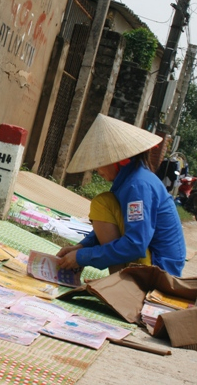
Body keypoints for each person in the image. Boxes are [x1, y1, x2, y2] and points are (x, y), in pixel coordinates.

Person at [56, 114, 187, 277]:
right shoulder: (131, 181)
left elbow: (135, 244)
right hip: (155, 264)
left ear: (121, 160)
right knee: (106, 203)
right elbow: (118, 226)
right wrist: (81, 248)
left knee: (102, 203)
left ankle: (120, 284)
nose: (97, 170)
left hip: (159, 272)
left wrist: (83, 257)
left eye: (100, 162)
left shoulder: (138, 186)